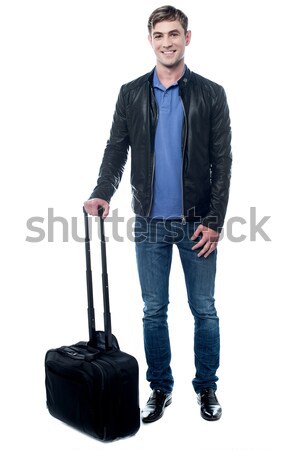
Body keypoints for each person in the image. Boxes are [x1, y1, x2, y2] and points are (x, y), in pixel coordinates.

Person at [84, 5, 232, 423]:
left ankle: (206, 388)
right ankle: (159, 388)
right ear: (149, 40)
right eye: (159, 35)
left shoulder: (211, 93)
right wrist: (101, 191)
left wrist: (215, 221)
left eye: (174, 34)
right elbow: (117, 149)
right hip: (149, 223)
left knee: (204, 308)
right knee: (154, 310)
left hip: (197, 223)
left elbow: (223, 161)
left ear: (188, 37)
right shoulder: (131, 93)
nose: (167, 42)